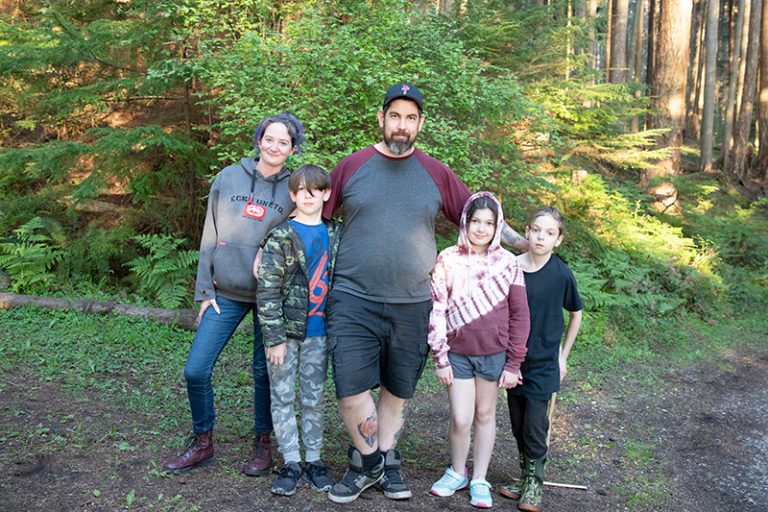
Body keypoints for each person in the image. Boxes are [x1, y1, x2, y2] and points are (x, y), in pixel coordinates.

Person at [322, 82, 530, 504]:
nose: (402, 125)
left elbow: (480, 215)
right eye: (394, 116)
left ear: (420, 124)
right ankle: (373, 462)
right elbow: (314, 215)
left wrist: (529, 246)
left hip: (415, 302)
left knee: (397, 390)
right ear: (381, 119)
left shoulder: (436, 172)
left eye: (410, 118)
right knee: (349, 388)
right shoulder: (351, 166)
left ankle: (381, 458)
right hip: (352, 297)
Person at [163, 113, 305, 476]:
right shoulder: (228, 177)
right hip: (223, 293)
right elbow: (209, 234)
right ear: (258, 140)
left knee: (263, 372)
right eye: (269, 139)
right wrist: (204, 289)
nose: (275, 146)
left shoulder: (295, 188)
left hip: (270, 298)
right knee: (196, 369)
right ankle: (202, 442)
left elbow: (302, 235)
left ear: (292, 149)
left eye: (283, 142)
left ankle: (262, 442)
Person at [428, 192, 531, 509]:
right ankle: (458, 471)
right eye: (476, 222)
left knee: (485, 415)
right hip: (457, 355)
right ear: (465, 223)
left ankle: (479, 478)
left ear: (497, 226)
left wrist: (514, 363)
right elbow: (437, 309)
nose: (482, 229)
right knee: (461, 418)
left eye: (489, 223)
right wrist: (440, 356)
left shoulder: (509, 264)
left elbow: (520, 315)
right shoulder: (448, 259)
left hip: (493, 355)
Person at [256, 164, 340, 496]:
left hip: (320, 334)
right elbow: (267, 291)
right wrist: (274, 338)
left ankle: (315, 461)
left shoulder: (335, 234)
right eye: (301, 190)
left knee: (314, 398)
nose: (308, 196)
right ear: (293, 195)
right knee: (282, 397)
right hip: (285, 336)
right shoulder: (280, 237)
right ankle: (291, 461)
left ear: (326, 194)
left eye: (315, 190)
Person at [500, 206, 583, 512]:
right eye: (537, 230)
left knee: (536, 426)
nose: (541, 237)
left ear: (558, 240)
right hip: (514, 362)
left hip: (545, 364)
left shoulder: (561, 273)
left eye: (549, 233)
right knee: (518, 425)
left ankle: (535, 483)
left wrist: (563, 356)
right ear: (527, 230)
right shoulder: (512, 267)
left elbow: (576, 314)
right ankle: (524, 478)